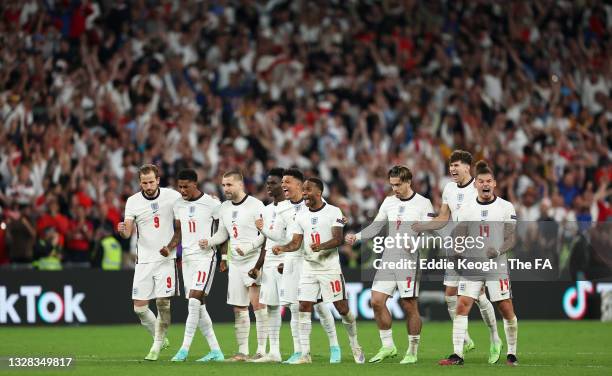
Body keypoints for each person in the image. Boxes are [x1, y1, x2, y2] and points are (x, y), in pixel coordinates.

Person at [412, 150, 501, 362]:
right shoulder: (449, 188)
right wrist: (423, 226)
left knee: (477, 296)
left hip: (477, 248)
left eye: (457, 165)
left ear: (467, 167)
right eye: (451, 165)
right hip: (455, 248)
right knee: (450, 294)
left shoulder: (478, 186)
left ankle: (495, 339)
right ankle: (466, 340)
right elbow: (443, 217)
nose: (452, 169)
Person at [346, 165, 434, 364]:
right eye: (392, 185)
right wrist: (357, 237)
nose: (394, 189)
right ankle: (388, 346)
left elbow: (430, 234)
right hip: (388, 257)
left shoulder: (423, 203)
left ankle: (412, 351)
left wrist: (417, 242)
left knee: (409, 305)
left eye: (398, 185)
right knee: (376, 301)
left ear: (408, 182)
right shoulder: (388, 201)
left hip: (409, 260)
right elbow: (376, 226)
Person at [273, 177, 364, 364]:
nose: (304, 194)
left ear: (319, 193)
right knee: (304, 306)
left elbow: (338, 239)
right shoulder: (301, 215)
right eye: (303, 190)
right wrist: (282, 248)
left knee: (342, 308)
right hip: (309, 268)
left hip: (330, 268)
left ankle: (355, 344)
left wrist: (320, 246)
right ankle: (305, 354)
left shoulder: (333, 211)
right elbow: (296, 243)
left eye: (307, 190)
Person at [439, 160, 519, 366]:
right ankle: (457, 354)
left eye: (489, 181)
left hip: (496, 266)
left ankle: (511, 353)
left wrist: (499, 250)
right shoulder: (466, 208)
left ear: (494, 184)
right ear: (476, 184)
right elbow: (461, 233)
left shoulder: (505, 207)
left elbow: (511, 238)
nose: (485, 184)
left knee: (505, 307)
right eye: (481, 181)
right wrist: (457, 247)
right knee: (462, 305)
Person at [260, 168, 341, 364]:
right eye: (283, 182)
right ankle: (300, 352)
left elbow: (326, 216)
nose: (283, 185)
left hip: (312, 261)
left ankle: (334, 346)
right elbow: (281, 237)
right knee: (294, 308)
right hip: (291, 261)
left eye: (287, 182)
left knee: (320, 307)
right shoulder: (282, 208)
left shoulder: (310, 204)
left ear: (299, 184)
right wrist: (277, 248)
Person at [199, 170, 267, 361]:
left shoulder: (256, 205)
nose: (226, 188)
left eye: (229, 185)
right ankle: (243, 352)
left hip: (253, 260)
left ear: (240, 185)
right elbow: (223, 234)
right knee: (239, 308)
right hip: (235, 263)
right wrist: (209, 241)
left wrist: (250, 247)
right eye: (223, 185)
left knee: (258, 305)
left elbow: (265, 234)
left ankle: (261, 350)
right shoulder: (224, 208)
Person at [117, 164, 182, 361]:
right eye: (144, 182)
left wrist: (171, 247)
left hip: (165, 259)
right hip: (144, 261)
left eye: (151, 181)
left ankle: (155, 347)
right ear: (140, 183)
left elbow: (180, 227)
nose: (148, 185)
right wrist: (122, 230)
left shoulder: (172, 196)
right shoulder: (133, 201)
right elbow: (128, 230)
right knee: (139, 308)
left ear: (158, 180)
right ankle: (159, 337)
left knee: (163, 304)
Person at [169, 169, 224, 362]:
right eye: (180, 186)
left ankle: (183, 350)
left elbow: (223, 231)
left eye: (186, 186)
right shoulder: (177, 205)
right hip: (187, 259)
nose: (182, 190)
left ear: (195, 184)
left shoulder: (212, 204)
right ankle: (216, 351)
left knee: (194, 301)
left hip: (206, 257)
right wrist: (169, 248)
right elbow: (178, 232)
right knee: (199, 306)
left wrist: (224, 256)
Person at [246, 168, 286, 362]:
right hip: (270, 261)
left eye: (273, 183)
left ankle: (305, 351)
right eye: (267, 183)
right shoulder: (267, 210)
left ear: (283, 184)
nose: (268, 186)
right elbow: (265, 242)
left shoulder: (293, 207)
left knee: (303, 306)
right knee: (271, 306)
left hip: (289, 261)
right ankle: (275, 352)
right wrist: (258, 266)